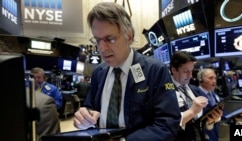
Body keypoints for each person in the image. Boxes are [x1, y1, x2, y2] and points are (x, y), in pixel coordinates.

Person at [74, 2, 181, 141]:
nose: (102, 48)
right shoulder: (99, 73)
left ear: (129, 36)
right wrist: (83, 117)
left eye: (109, 39)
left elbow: (167, 124)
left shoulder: (155, 70)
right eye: (97, 40)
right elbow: (90, 108)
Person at [169, 51, 223, 141]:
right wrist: (192, 111)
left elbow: (201, 122)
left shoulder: (196, 90)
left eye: (191, 71)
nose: (190, 76)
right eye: (186, 71)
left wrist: (210, 122)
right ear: (173, 70)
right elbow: (167, 124)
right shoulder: (164, 91)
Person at [197, 68, 223, 141]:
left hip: (215, 131)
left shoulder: (213, 93)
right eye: (210, 78)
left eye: (215, 78)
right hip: (204, 134)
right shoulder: (195, 94)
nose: (214, 81)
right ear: (200, 79)